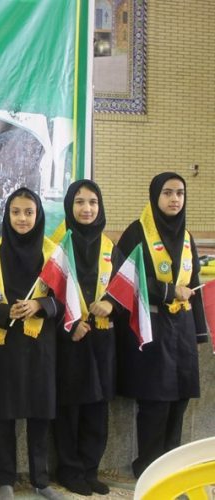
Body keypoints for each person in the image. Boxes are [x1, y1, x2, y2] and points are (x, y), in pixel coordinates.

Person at [0, 187, 64, 500]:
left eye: (29, 212)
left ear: (39, 216)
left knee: (40, 412)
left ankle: (40, 480)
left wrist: (40, 305)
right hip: (5, 345)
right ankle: (6, 479)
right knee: (6, 413)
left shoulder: (53, 256)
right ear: (6, 215)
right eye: (16, 212)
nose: (23, 218)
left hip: (41, 346)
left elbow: (67, 301)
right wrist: (3, 311)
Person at [115, 172, 206, 478]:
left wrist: (198, 334)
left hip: (182, 330)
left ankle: (171, 471)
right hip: (152, 327)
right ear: (155, 196)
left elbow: (194, 284)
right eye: (167, 193)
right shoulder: (136, 232)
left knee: (179, 402)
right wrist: (168, 292)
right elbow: (125, 280)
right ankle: (149, 470)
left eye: (180, 193)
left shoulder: (186, 236)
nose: (174, 199)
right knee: (156, 403)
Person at [51, 180, 117, 496]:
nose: (87, 208)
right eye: (79, 202)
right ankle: (69, 470)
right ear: (69, 206)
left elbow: (126, 288)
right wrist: (70, 323)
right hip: (70, 339)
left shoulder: (109, 247)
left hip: (102, 339)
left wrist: (111, 304)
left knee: (97, 408)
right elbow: (46, 293)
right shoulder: (56, 246)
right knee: (70, 409)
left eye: (93, 202)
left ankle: (91, 469)